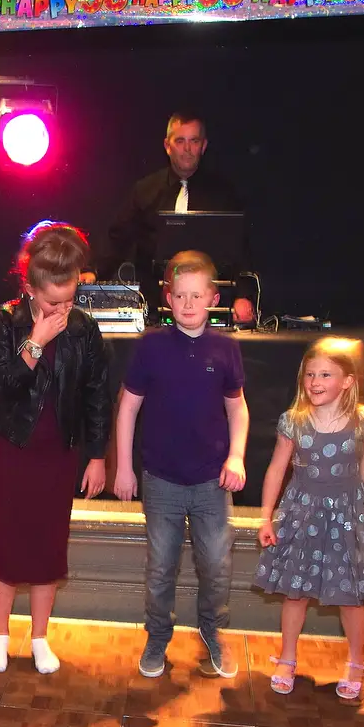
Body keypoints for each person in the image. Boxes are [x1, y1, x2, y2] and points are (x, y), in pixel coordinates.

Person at [0, 222, 111, 674]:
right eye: (53, 301)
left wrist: (97, 455)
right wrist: (35, 343)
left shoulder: (84, 328)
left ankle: (39, 637)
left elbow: (97, 393)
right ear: (30, 288)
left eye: (70, 298)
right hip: (9, 448)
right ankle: (0, 635)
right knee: (5, 539)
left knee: (48, 544)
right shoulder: (4, 322)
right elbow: (1, 389)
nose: (62, 308)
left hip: (59, 451)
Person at [114, 252, 248, 680]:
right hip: (161, 479)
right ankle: (157, 638)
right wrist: (124, 467)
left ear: (213, 297)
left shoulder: (226, 348)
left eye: (197, 295)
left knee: (216, 565)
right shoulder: (151, 346)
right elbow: (127, 408)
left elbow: (238, 409)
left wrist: (237, 455)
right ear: (167, 298)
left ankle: (213, 634)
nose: (188, 304)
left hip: (212, 480)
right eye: (180, 296)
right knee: (160, 567)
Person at [254, 337, 364, 704]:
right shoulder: (294, 422)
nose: (315, 382)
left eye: (325, 375)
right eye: (310, 374)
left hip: (347, 518)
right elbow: (276, 469)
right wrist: (266, 517)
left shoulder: (363, 423)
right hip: (302, 514)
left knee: (351, 596)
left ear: (347, 381)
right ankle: (286, 659)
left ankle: (357, 664)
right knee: (295, 591)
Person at [101, 113, 253, 324]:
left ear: (204, 145)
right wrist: (93, 272)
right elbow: (117, 239)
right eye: (180, 141)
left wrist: (243, 297)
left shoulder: (224, 195)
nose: (187, 149)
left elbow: (240, 250)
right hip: (153, 308)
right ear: (167, 145)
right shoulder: (145, 190)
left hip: (210, 309)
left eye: (194, 141)